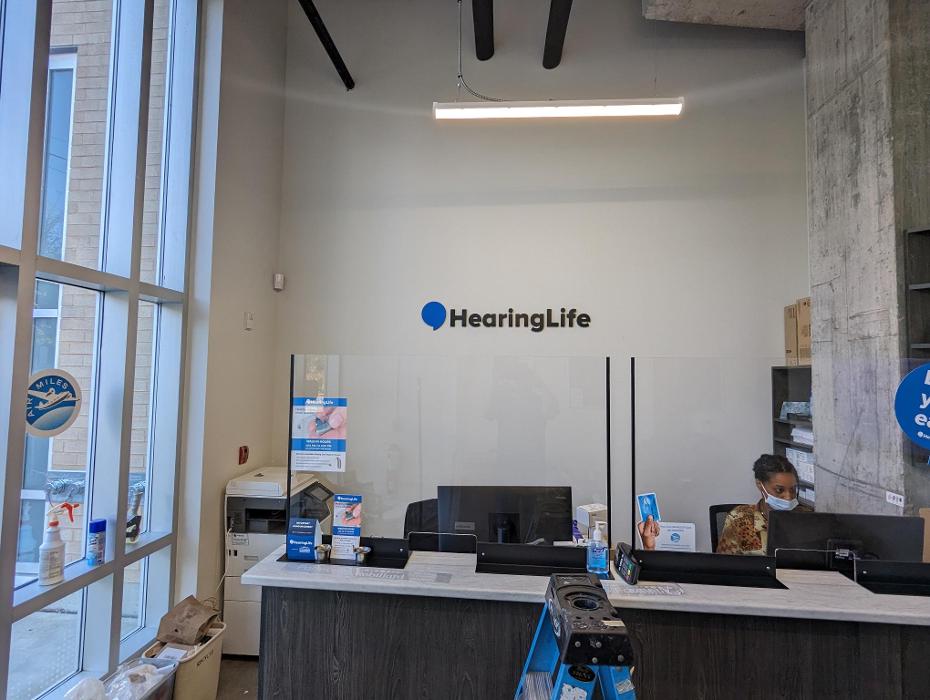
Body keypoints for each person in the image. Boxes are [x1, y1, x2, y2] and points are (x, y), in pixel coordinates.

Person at [716, 453, 811, 555]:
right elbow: (724, 563)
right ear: (760, 484)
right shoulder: (739, 519)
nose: (788, 497)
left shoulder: (807, 518)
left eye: (793, 489)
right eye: (779, 490)